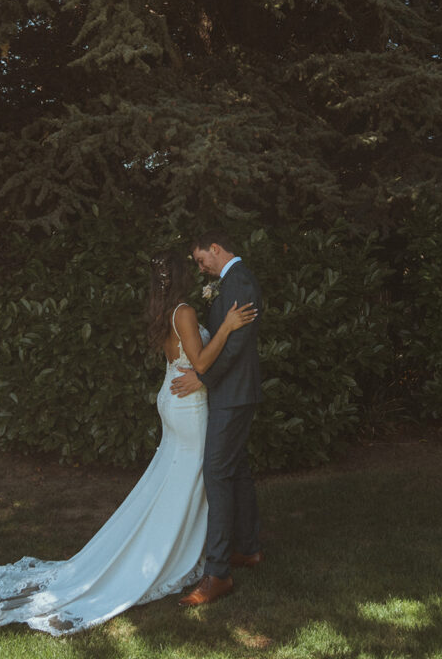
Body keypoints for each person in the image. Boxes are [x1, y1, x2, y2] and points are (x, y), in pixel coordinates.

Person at [0, 250, 255, 636]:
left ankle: (188, 549)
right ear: (180, 276)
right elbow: (202, 363)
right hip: (189, 406)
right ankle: (172, 555)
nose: (197, 272)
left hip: (173, 398)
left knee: (172, 481)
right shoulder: (185, 312)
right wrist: (226, 327)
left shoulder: (167, 310)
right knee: (190, 480)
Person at [171, 230, 263, 607]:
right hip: (234, 392)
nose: (200, 267)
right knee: (236, 470)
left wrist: (202, 376)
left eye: (200, 259)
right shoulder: (231, 281)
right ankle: (248, 549)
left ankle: (218, 572)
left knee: (217, 473)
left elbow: (236, 344)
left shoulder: (239, 281)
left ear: (216, 248)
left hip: (231, 394)